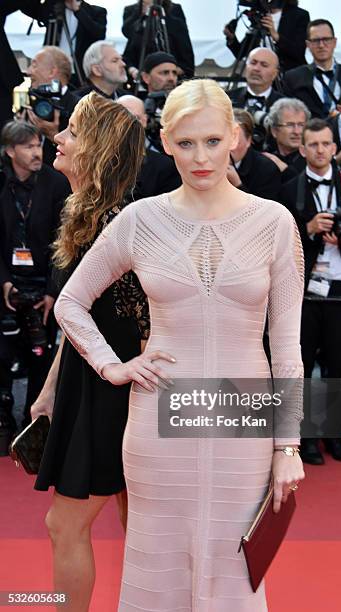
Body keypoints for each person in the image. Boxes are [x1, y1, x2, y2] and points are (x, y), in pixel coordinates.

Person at [53, 78, 305, 610]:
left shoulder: (274, 222)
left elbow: (286, 349)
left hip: (244, 412)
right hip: (160, 417)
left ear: (235, 137)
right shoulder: (141, 219)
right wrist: (111, 366)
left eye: (213, 141)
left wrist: (287, 446)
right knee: (158, 568)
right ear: (165, 143)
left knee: (236, 573)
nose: (201, 157)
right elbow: (69, 303)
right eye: (186, 143)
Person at [31, 92, 149, 612]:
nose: (58, 137)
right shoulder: (83, 212)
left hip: (118, 393)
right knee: (139, 522)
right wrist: (52, 389)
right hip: (92, 380)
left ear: (98, 150)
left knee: (66, 522)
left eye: (73, 132)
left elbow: (143, 321)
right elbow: (75, 315)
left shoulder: (115, 223)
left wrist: (145, 399)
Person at [280, 119, 341, 464]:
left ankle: (334, 436)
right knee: (300, 364)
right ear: (302, 149)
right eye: (313, 145)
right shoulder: (289, 188)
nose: (320, 150)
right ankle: (302, 438)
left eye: (325, 144)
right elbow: (277, 242)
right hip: (304, 290)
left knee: (339, 363)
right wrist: (307, 229)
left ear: (335, 147)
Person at [0, 121, 70, 430]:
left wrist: (52, 292)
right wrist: (4, 281)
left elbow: (63, 242)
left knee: (42, 355)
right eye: (27, 146)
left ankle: (35, 420)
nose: (36, 152)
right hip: (8, 281)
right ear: (10, 151)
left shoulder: (56, 183)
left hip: (45, 281)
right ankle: (3, 415)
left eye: (38, 145)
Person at [283, 19, 341, 119]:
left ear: (334, 42)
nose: (321, 45)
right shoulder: (292, 78)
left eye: (326, 39)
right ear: (308, 45)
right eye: (316, 41)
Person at [22, 0, 107, 84]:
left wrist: (78, 10)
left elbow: (99, 34)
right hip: (52, 72)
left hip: (80, 74)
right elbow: (25, 6)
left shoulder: (96, 11)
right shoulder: (52, 8)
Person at [117, 94, 182, 198]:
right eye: (121, 117)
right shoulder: (95, 161)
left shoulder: (164, 167)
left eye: (135, 118)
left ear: (144, 121)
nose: (128, 124)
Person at [25, 46, 80, 166]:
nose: (28, 72)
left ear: (52, 72)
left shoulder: (80, 108)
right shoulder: (30, 106)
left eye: (34, 65)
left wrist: (52, 135)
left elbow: (84, 157)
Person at [224, 0, 310, 73]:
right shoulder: (259, 15)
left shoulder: (299, 15)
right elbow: (241, 53)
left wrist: (276, 37)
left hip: (289, 75)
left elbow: (298, 51)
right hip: (262, 76)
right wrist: (231, 38)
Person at [122, 0, 194, 79]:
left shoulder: (174, 10)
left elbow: (186, 56)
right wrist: (141, 14)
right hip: (142, 70)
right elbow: (127, 33)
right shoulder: (132, 10)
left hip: (171, 70)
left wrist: (166, 72)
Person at [227, 47, 282, 149]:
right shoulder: (226, 99)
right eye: (253, 63)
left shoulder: (284, 105)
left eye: (264, 65)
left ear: (275, 74)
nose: (256, 69)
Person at [227, 108, 282, 200]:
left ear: (249, 140)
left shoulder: (266, 170)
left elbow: (264, 212)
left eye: (234, 141)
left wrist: (238, 185)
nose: (227, 147)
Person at [264, 97, 310, 180]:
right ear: (274, 131)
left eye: (301, 125)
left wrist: (285, 170)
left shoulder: (313, 158)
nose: (297, 131)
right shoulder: (265, 159)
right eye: (290, 125)